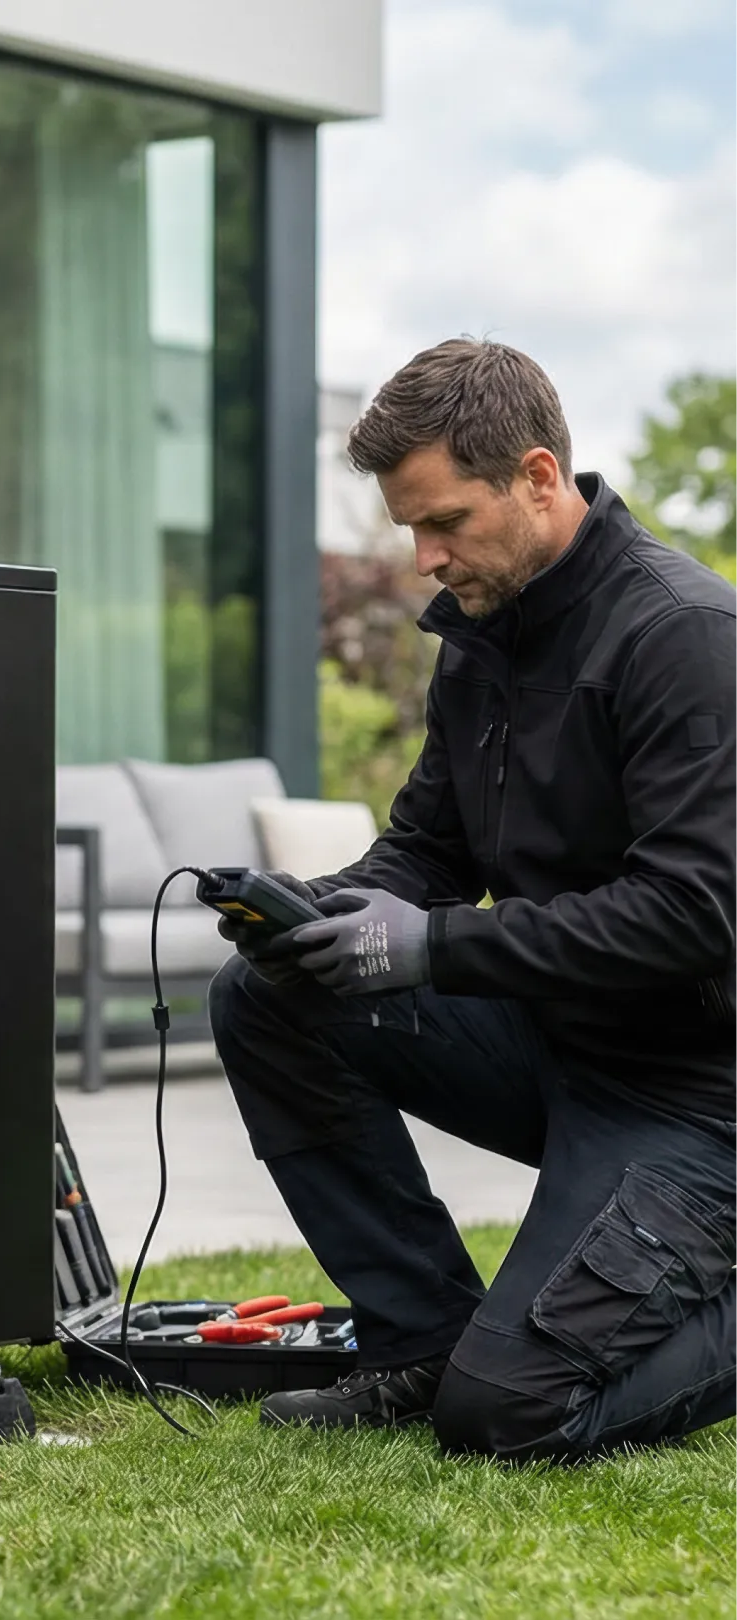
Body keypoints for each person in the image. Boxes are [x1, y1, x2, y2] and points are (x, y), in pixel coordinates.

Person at [211, 338, 737, 1461]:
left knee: (508, 1411)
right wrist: (310, 911)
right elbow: (426, 852)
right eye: (409, 526)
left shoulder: (683, 636)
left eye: (442, 521)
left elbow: (694, 913)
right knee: (262, 995)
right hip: (557, 1046)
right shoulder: (479, 642)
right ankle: (415, 1340)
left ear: (537, 478)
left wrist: (435, 948)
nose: (421, 555)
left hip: (694, 1097)